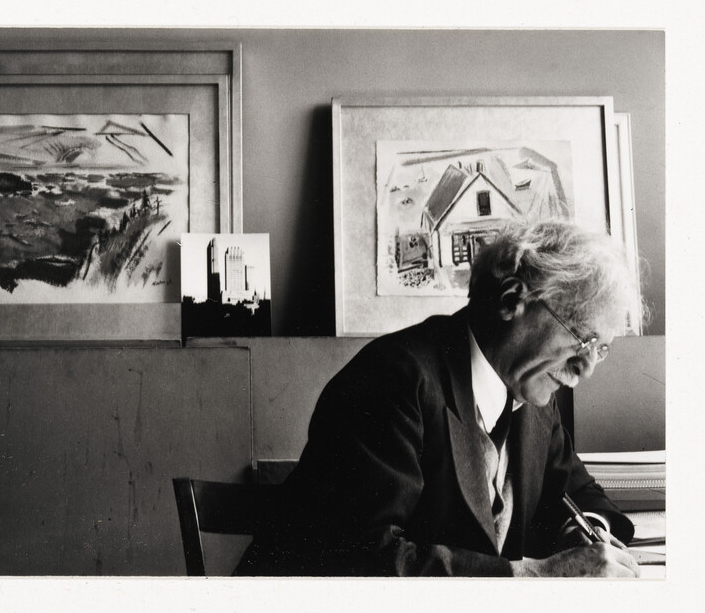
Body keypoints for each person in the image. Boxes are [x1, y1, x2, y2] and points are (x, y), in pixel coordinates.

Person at [235, 219, 643, 577]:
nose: (586, 368)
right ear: (511, 301)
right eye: (582, 339)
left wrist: (586, 533)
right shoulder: (393, 379)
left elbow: (583, 495)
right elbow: (362, 558)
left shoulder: (533, 395)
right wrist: (529, 577)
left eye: (600, 349)